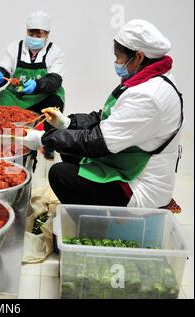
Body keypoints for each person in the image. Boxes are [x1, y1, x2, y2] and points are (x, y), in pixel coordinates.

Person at [19, 19, 183, 209]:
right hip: (126, 159)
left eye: (118, 57)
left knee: (60, 174)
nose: (117, 63)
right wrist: (68, 123)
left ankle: (96, 226)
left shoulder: (149, 96)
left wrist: (44, 139)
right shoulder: (147, 79)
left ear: (138, 57)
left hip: (141, 186)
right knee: (70, 150)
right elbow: (106, 116)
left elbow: (97, 142)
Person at [0, 10, 65, 159]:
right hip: (17, 96)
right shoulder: (15, 48)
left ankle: (48, 142)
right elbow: (3, 67)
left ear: (47, 34)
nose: (35, 38)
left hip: (41, 97)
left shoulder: (54, 52)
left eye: (39, 35)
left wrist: (38, 84)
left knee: (55, 103)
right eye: (31, 33)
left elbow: (55, 79)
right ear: (26, 31)